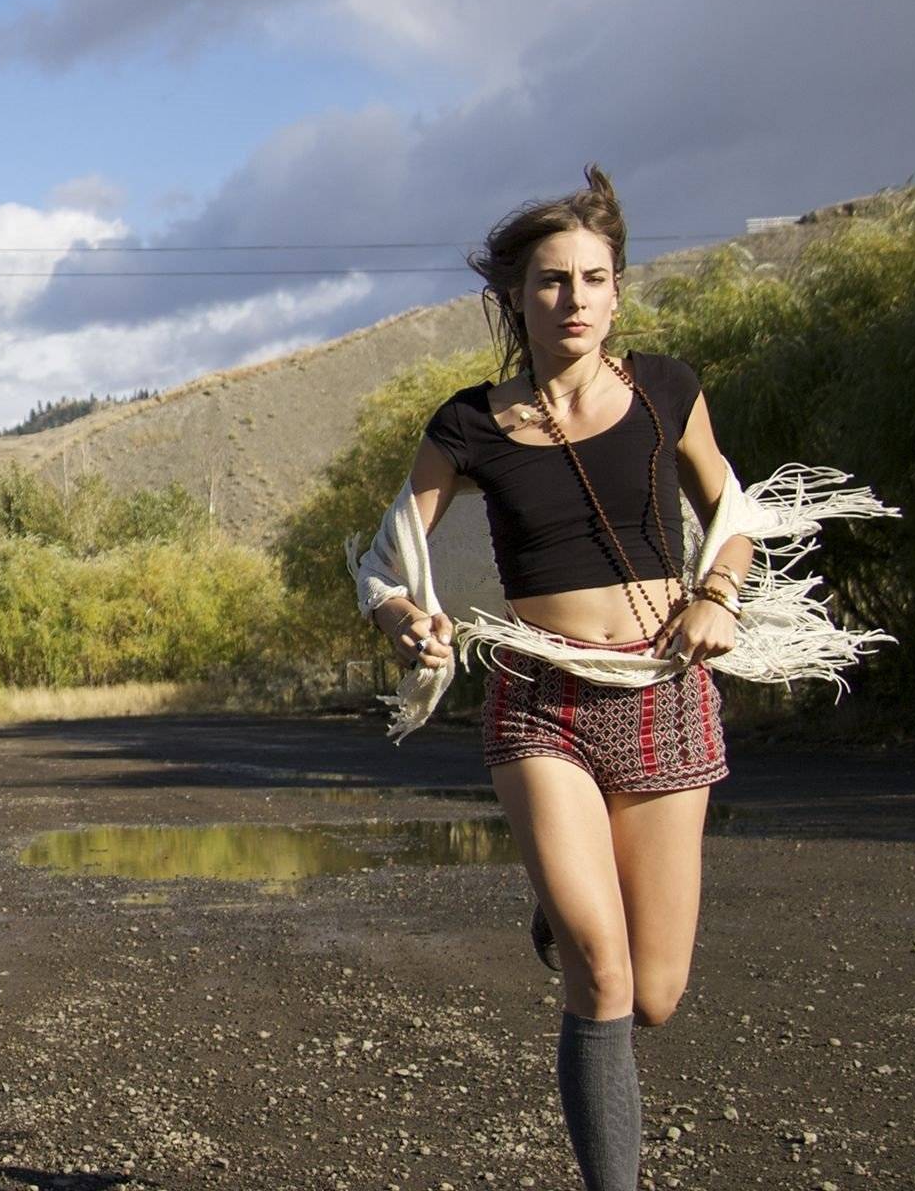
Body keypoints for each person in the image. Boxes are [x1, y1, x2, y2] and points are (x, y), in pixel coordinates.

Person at [371, 167, 748, 1190]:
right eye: (549, 281)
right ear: (515, 298)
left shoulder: (666, 390)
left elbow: (737, 516)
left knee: (656, 994)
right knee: (602, 972)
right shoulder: (468, 424)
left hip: (664, 689)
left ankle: (561, 905)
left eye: (593, 277)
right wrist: (406, 614)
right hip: (541, 700)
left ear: (617, 290)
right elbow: (383, 558)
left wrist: (715, 592)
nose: (573, 298)